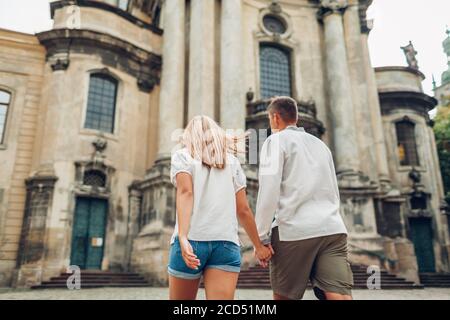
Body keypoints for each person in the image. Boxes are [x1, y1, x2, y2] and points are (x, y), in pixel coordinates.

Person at [255, 96, 353, 300]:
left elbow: (268, 191)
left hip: (294, 230)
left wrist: (262, 237)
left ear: (274, 118)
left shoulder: (275, 141)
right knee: (339, 295)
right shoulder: (321, 145)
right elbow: (332, 189)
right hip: (332, 228)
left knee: (285, 297)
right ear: (296, 118)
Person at [168, 115, 273, 300]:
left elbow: (186, 193)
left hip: (192, 240)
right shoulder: (232, 162)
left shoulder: (182, 156)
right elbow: (243, 210)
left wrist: (183, 237)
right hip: (226, 244)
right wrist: (259, 245)